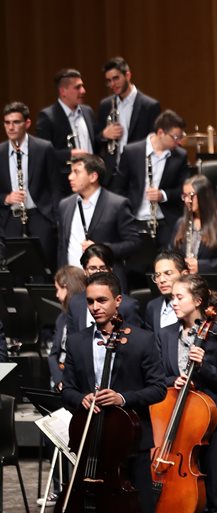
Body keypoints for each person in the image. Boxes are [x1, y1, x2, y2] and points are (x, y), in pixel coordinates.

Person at [61, 271, 170, 513]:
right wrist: (81, 399)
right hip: (96, 442)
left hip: (131, 441)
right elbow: (67, 389)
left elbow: (157, 388)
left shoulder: (139, 340)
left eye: (102, 300)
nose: (95, 307)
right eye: (90, 301)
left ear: (118, 301)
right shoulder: (78, 341)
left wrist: (122, 398)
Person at [154, 274, 217, 513]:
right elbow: (155, 376)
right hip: (179, 423)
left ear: (198, 301)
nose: (173, 302)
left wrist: (206, 367)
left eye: (179, 297)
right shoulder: (164, 334)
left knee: (214, 489)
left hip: (210, 422)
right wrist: (168, 381)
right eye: (172, 297)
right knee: (189, 490)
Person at [56, 154, 139, 273]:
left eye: (76, 172)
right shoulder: (65, 205)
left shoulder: (117, 204)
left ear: (93, 177)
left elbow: (133, 243)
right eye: (70, 172)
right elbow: (62, 247)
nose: (70, 177)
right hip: (72, 280)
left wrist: (101, 248)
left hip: (105, 279)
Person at [114, 110, 188, 241]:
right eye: (176, 137)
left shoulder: (180, 156)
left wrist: (163, 195)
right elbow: (119, 188)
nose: (179, 142)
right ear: (160, 133)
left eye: (181, 137)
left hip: (165, 221)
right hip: (135, 221)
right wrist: (126, 215)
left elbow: (183, 189)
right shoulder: (132, 152)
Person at [1, 101, 59, 267]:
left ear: (27, 123)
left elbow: (55, 186)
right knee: (15, 270)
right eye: (7, 123)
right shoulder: (0, 152)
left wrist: (53, 221)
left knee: (43, 269)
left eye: (16, 122)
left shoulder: (44, 148)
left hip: (40, 216)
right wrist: (6, 198)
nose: (11, 127)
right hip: (10, 220)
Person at [65, 244, 145, 334]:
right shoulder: (75, 303)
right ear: (84, 270)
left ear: (110, 270)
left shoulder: (128, 306)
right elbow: (72, 341)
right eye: (93, 268)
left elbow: (136, 342)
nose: (98, 273)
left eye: (103, 268)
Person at [98, 56, 161, 161]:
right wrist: (104, 135)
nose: (112, 84)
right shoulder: (105, 105)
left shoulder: (150, 106)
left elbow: (155, 141)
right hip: (113, 171)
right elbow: (95, 139)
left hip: (138, 167)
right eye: (109, 81)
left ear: (128, 75)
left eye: (116, 78)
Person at [172, 175, 217, 275]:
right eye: (185, 196)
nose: (187, 200)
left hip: (210, 282)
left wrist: (201, 266)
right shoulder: (180, 223)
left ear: (204, 196)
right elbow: (172, 255)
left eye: (191, 195)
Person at [37, 68, 99, 165]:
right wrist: (69, 154)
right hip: (66, 177)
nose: (83, 91)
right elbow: (43, 154)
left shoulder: (88, 111)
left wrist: (104, 135)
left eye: (82, 86)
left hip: (92, 176)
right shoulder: (48, 117)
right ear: (63, 92)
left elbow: (96, 143)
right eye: (78, 87)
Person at [48, 265, 88, 393]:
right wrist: (59, 380)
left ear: (67, 287)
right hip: (61, 377)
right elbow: (53, 354)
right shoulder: (62, 317)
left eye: (58, 289)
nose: (56, 294)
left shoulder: (87, 315)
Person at [144, 251, 187, 329]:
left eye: (168, 273)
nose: (161, 280)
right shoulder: (153, 306)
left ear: (184, 275)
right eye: (157, 275)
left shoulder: (195, 305)